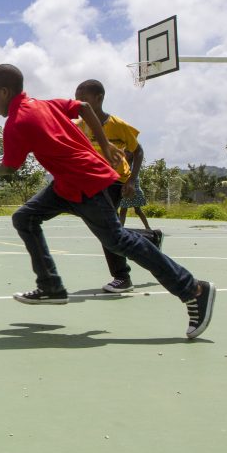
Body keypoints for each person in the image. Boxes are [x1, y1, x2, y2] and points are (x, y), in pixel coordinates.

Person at [0, 64, 214, 338]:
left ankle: (194, 289)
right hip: (67, 185)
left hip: (86, 181)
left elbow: (9, 167)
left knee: (117, 240)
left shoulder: (17, 122)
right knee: (25, 217)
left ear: (5, 92)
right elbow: (84, 109)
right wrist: (103, 144)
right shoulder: (45, 105)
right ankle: (50, 286)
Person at [74, 79, 162, 293]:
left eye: (84, 100)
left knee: (105, 228)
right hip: (92, 181)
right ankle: (148, 237)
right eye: (77, 100)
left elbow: (138, 151)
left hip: (114, 180)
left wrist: (132, 179)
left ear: (99, 98)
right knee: (106, 226)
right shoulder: (78, 126)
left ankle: (122, 277)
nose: (80, 105)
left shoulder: (119, 126)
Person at [119, 156, 153, 230]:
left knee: (135, 210)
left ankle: (147, 227)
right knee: (125, 210)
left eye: (127, 152)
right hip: (129, 190)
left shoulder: (131, 167)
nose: (125, 153)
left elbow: (129, 179)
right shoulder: (127, 165)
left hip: (132, 190)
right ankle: (121, 228)